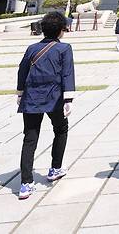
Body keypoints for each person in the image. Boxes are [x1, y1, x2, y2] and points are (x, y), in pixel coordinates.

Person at [16, 12, 75, 200]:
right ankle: (55, 168)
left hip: (32, 97)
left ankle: (26, 183)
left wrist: (20, 93)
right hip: (54, 97)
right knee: (61, 130)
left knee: (30, 138)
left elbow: (22, 70)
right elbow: (67, 74)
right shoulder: (64, 49)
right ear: (60, 30)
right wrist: (68, 99)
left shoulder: (32, 48)